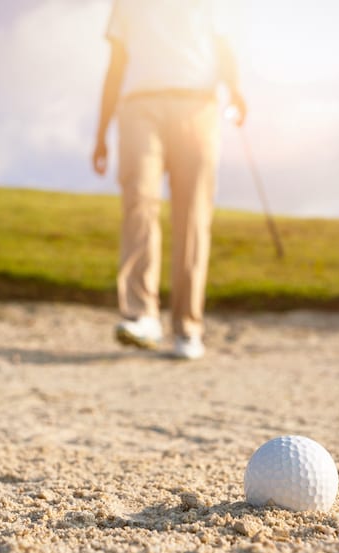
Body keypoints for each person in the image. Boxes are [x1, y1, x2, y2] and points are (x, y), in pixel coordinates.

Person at [92, 0, 246, 361]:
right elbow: (116, 65)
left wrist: (235, 88)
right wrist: (101, 132)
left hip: (197, 105)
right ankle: (141, 314)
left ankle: (188, 327)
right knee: (139, 203)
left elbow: (223, 46)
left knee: (193, 216)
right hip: (138, 107)